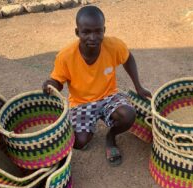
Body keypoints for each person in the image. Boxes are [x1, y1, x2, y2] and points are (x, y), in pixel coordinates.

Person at [42, 5, 151, 166]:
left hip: (109, 96)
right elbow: (58, 82)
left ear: (104, 30)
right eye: (86, 32)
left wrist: (138, 86)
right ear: (77, 32)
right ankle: (82, 125)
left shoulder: (114, 46)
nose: (92, 37)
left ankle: (110, 137)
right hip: (81, 102)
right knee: (79, 142)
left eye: (98, 31)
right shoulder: (65, 56)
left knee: (128, 114)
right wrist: (50, 84)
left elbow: (128, 58)